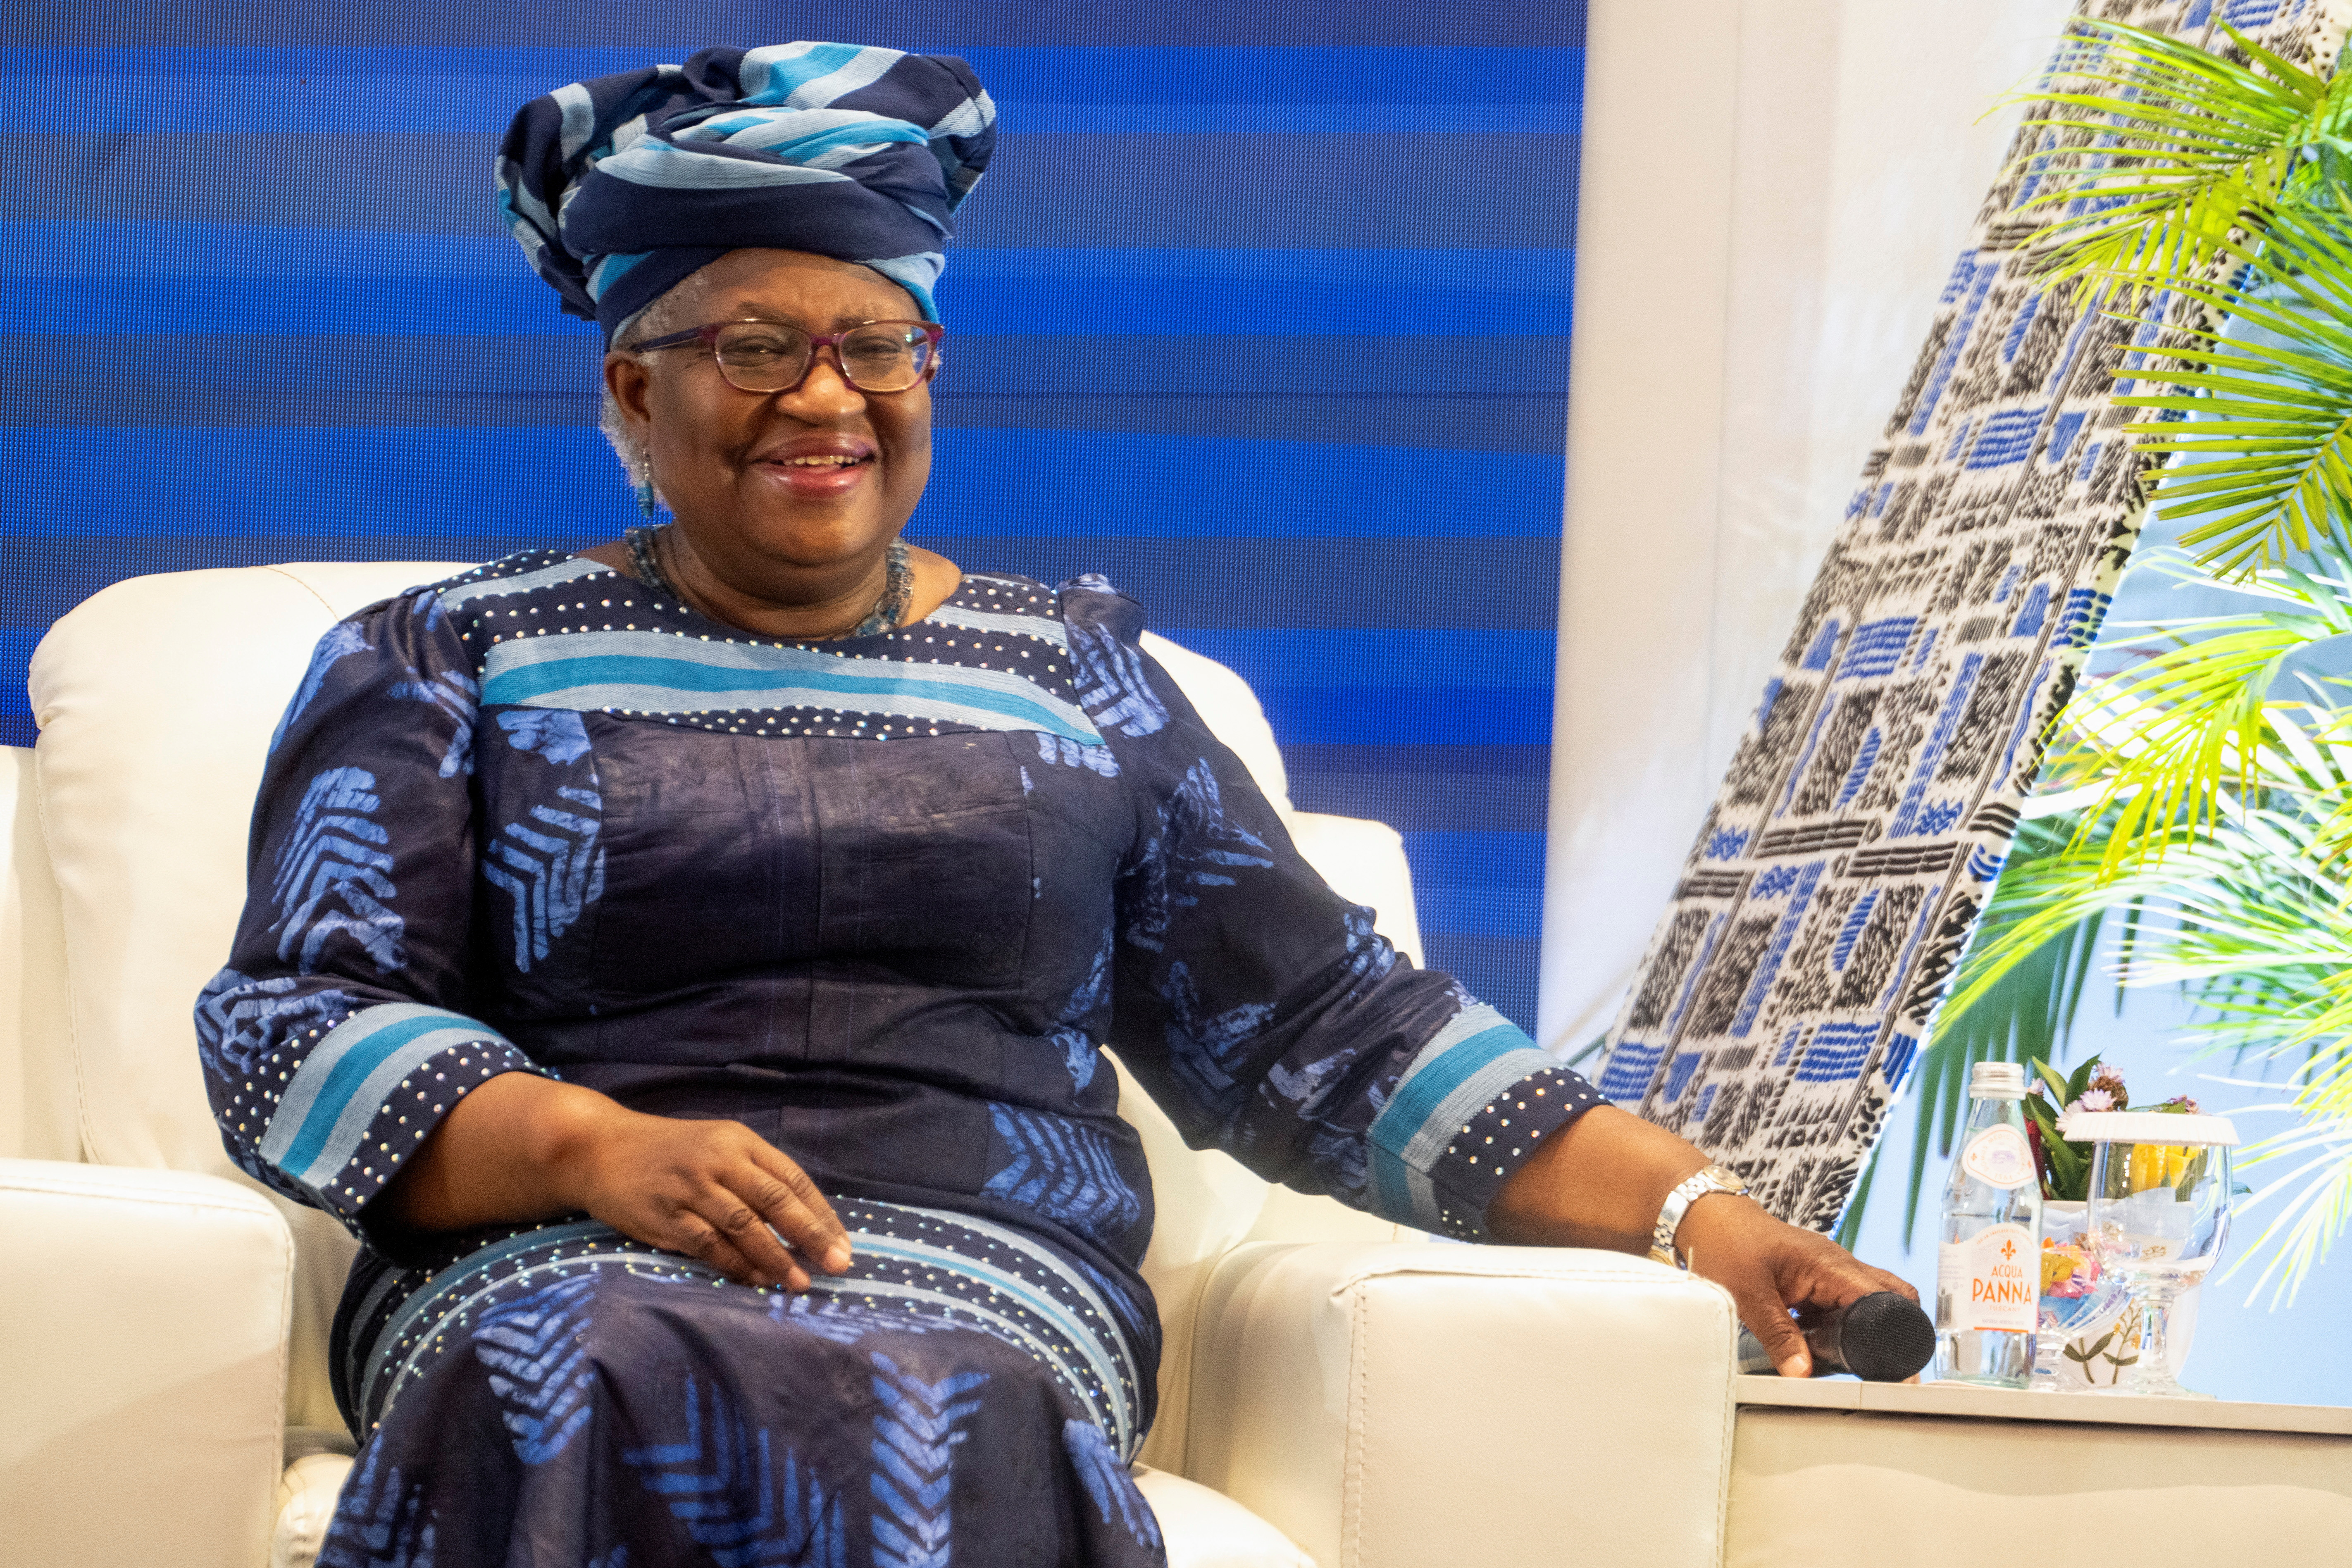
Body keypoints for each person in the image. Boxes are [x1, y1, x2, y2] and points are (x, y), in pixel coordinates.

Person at [195, 41, 1913, 1568]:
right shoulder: (453, 653)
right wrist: (593, 1148)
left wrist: (1697, 1211)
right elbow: (297, 1017)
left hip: (976, 1280)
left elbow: (1328, 1025)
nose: (824, 394)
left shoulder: (1067, 671)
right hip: (550, 1262)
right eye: (752, 343)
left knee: (926, 1395)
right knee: (583, 1361)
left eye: (878, 341)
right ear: (636, 392)